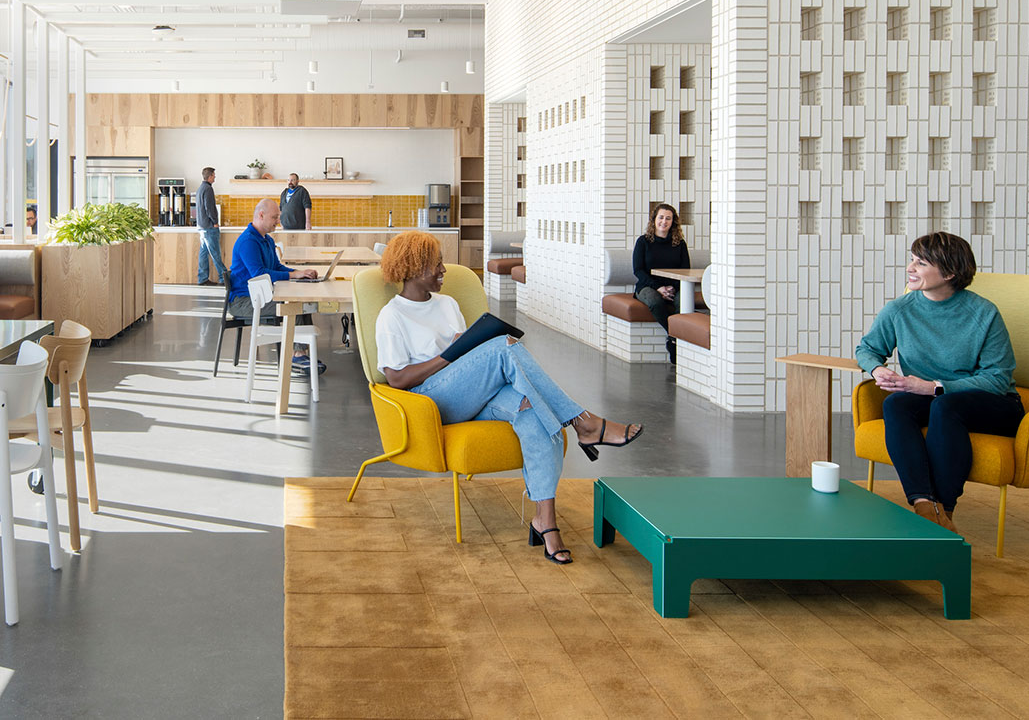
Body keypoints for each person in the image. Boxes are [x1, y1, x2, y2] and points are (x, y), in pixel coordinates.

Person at [374, 232, 642, 564]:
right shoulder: (392, 315)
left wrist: (468, 350)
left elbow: (468, 358)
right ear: (414, 267)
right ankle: (584, 422)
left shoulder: (447, 304)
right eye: (436, 264)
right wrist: (449, 355)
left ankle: (546, 521)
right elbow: (397, 379)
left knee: (534, 411)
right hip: (431, 402)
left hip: (471, 391)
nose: (443, 269)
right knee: (503, 347)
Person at [855, 231, 1021, 533]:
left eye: (921, 263)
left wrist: (933, 387)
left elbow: (998, 379)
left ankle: (944, 508)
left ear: (949, 272)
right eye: (912, 260)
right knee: (896, 405)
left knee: (945, 406)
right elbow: (866, 349)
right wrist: (877, 370)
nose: (910, 268)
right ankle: (925, 505)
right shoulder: (899, 310)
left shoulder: (984, 313)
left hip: (994, 405)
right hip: (934, 399)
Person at [228, 198, 323, 374]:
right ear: (261, 215)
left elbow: (276, 267)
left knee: (300, 301)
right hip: (244, 302)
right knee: (295, 304)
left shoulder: (267, 240)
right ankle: (297, 355)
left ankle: (299, 352)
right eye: (275, 217)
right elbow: (260, 274)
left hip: (260, 297)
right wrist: (294, 275)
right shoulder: (248, 242)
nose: (278, 222)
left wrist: (299, 272)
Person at [632, 203, 692, 366]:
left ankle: (676, 339)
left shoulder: (679, 244)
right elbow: (638, 270)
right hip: (647, 286)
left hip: (674, 287)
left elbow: (685, 270)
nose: (664, 221)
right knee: (655, 301)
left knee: (684, 302)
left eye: (668, 218)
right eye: (661, 217)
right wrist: (658, 288)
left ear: (673, 222)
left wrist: (671, 287)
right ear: (654, 220)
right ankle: (674, 335)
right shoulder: (643, 242)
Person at [195, 166, 226, 286]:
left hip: (202, 227)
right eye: (214, 175)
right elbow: (210, 208)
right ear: (210, 176)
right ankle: (223, 278)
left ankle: (202, 278)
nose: (215, 177)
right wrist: (214, 222)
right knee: (215, 253)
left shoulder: (200, 189)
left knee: (203, 254)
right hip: (209, 227)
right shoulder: (208, 189)